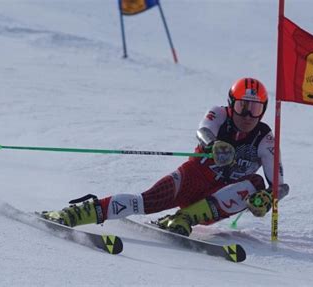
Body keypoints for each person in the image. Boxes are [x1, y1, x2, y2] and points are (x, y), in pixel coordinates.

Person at [42, 77, 289, 236]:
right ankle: (75, 214)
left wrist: (269, 196)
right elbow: (202, 131)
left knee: (257, 184)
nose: (248, 115)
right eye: (242, 107)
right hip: (194, 177)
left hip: (216, 201)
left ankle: (183, 219)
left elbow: (280, 184)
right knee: (146, 201)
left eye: (255, 109)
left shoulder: (265, 138)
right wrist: (213, 145)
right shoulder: (219, 114)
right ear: (231, 103)